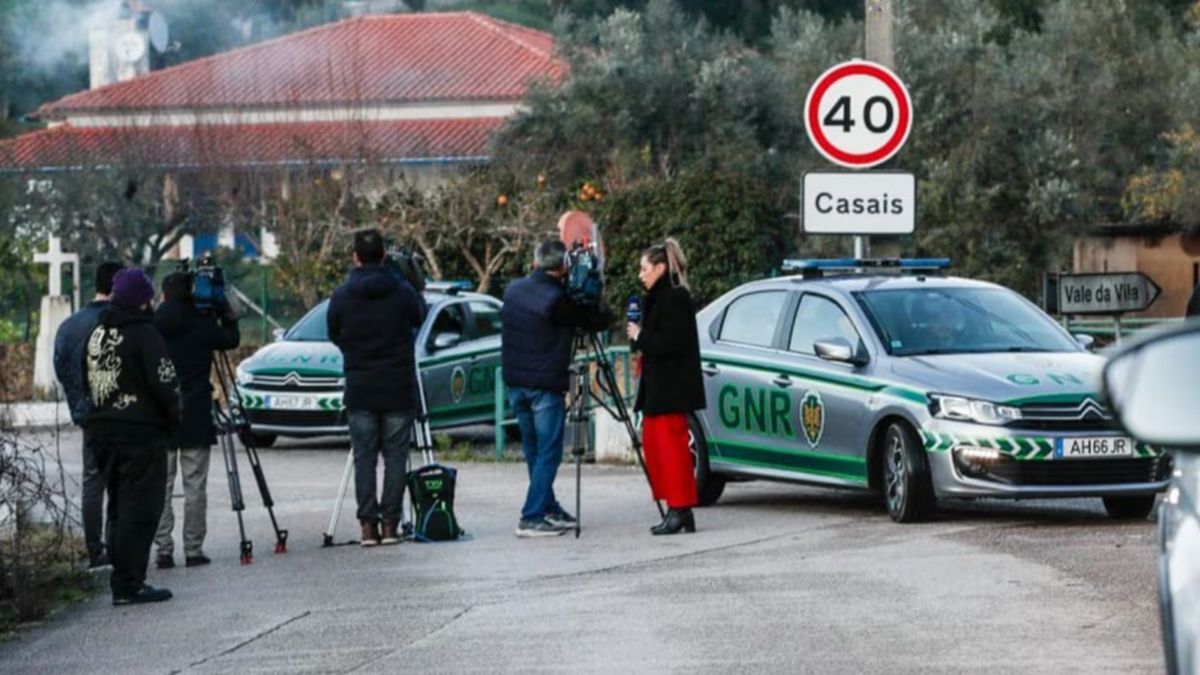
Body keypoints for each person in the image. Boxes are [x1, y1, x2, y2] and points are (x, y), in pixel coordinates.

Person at [501, 239, 612, 538]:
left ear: (536, 262)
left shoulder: (514, 290)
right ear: (563, 266)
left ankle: (546, 506)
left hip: (516, 384)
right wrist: (593, 287)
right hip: (544, 386)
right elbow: (597, 320)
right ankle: (532, 515)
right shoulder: (557, 300)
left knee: (534, 452)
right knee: (549, 452)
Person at [85, 269, 181, 605]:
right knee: (141, 509)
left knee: (118, 506)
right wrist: (173, 417)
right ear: (141, 300)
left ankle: (120, 576)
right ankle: (130, 582)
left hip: (102, 432)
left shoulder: (97, 333)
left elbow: (88, 382)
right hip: (140, 433)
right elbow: (165, 383)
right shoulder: (144, 334)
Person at [327, 229, 427, 547]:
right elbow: (419, 316)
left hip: (360, 385)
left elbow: (333, 330)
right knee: (396, 456)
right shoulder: (400, 290)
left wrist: (353, 351)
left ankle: (367, 526)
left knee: (364, 457)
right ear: (384, 255)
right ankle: (390, 524)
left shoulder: (342, 294)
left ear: (355, 257)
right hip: (397, 384)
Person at [152, 272, 241, 569]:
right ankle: (193, 548)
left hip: (161, 414)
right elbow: (231, 339)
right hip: (195, 412)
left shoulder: (152, 325)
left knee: (160, 487)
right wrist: (225, 314)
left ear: (163, 294)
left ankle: (163, 549)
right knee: (195, 486)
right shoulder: (202, 323)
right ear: (192, 292)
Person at [626, 239, 705, 536]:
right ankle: (677, 507)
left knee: (672, 452)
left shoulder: (673, 298)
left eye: (645, 268)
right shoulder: (663, 297)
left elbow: (670, 342)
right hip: (660, 387)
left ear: (660, 268)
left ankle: (680, 507)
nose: (641, 274)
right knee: (659, 449)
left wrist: (640, 336)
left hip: (670, 388)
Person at [52, 260, 124, 569]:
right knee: (120, 486)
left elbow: (61, 366)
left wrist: (78, 404)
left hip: (87, 416)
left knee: (92, 485)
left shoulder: (69, 326)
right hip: (118, 414)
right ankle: (119, 549)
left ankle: (95, 552)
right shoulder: (116, 323)